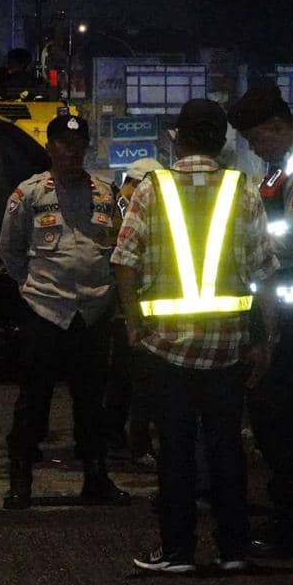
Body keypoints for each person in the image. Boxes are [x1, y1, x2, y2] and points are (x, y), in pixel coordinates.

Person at [113, 99, 280, 574]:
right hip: (228, 347)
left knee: (176, 450)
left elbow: (124, 260)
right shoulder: (242, 190)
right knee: (227, 447)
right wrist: (266, 338)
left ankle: (178, 551)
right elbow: (264, 270)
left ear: (178, 138)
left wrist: (132, 323)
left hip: (165, 347)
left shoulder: (153, 188)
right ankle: (233, 549)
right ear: (222, 143)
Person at [0, 113, 128, 510]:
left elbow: (118, 246)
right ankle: (21, 480)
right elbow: (10, 250)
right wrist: (33, 286)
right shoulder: (30, 193)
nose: (71, 151)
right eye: (63, 144)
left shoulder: (105, 193)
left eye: (78, 144)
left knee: (92, 401)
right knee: (33, 400)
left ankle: (96, 477)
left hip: (93, 312)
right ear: (50, 147)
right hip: (46, 310)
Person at [228, 84, 293, 557]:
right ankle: (290, 513)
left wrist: (243, 245)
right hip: (278, 311)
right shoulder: (280, 170)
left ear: (275, 126)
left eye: (256, 138)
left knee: (285, 419)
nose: (253, 148)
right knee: (273, 418)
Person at [106, 158, 165, 467]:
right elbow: (127, 258)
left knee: (126, 379)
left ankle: (119, 439)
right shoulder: (125, 205)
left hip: (123, 304)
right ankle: (131, 443)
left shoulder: (118, 202)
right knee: (133, 379)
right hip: (126, 305)